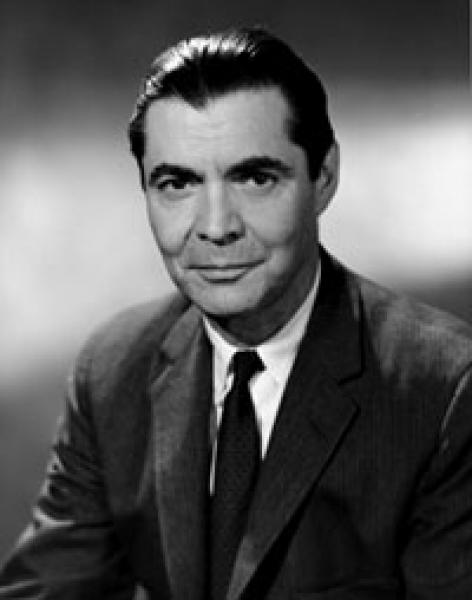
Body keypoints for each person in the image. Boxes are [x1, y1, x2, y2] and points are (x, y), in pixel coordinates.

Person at [1, 27, 472, 600]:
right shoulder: (112, 371)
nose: (216, 226)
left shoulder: (444, 390)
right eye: (177, 183)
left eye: (254, 178)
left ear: (323, 178)